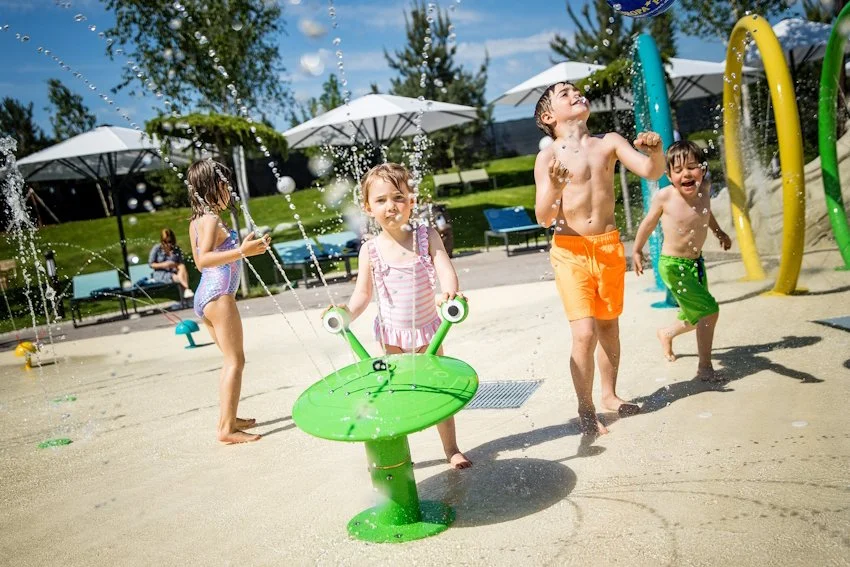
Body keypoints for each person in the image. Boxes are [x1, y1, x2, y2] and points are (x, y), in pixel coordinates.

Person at [533, 82, 665, 436]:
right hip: (570, 251)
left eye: (577, 90)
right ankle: (585, 407)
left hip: (607, 248)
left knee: (608, 326)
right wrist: (557, 188)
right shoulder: (549, 157)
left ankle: (609, 395)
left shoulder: (609, 142)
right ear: (549, 116)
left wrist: (656, 151)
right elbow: (543, 217)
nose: (575, 93)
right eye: (565, 94)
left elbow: (652, 172)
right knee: (585, 332)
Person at [329, 163, 471, 469]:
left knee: (437, 388)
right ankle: (399, 453)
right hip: (392, 336)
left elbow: (444, 267)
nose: (391, 206)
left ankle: (451, 448)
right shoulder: (370, 250)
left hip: (429, 332)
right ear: (368, 208)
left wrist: (450, 292)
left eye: (398, 197)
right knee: (395, 392)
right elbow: (363, 295)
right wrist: (345, 313)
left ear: (412, 200)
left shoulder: (425, 235)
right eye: (381, 201)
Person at [632, 141, 732, 382]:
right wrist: (636, 250)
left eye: (692, 167)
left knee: (696, 313)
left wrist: (719, 233)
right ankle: (705, 368)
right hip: (673, 265)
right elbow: (648, 223)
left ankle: (666, 333)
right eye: (678, 170)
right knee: (709, 311)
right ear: (669, 175)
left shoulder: (705, 189)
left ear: (703, 170)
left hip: (695, 263)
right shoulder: (665, 197)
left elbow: (706, 213)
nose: (686, 174)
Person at [187, 159, 272, 444]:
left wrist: (248, 250)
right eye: (225, 185)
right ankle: (226, 430)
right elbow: (203, 260)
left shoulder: (196, 221)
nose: (229, 191)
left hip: (205, 297)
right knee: (236, 360)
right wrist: (241, 251)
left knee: (229, 360)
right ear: (212, 187)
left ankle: (229, 417)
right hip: (219, 295)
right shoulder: (211, 219)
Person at [148, 228, 194, 299]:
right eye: (165, 242)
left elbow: (181, 263)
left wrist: (174, 265)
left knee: (182, 267)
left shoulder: (176, 249)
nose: (168, 244)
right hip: (161, 273)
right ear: (162, 240)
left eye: (170, 241)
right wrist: (165, 264)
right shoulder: (157, 248)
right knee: (178, 277)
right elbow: (151, 264)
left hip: (175, 271)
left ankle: (186, 293)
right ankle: (187, 291)